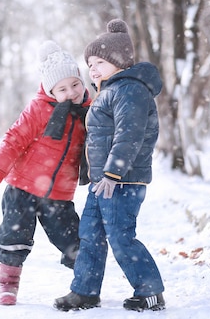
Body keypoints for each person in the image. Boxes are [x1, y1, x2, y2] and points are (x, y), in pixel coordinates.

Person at [53, 19, 166, 312]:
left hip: (123, 180)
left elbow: (130, 134)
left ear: (119, 61)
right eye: (90, 62)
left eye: (100, 61)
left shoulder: (129, 90)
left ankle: (150, 291)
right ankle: (85, 291)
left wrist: (114, 172)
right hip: (102, 181)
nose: (92, 68)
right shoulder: (109, 91)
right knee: (89, 235)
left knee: (120, 236)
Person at [0, 40, 91, 306]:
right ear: (50, 90)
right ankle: (8, 283)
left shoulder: (89, 111)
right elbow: (15, 138)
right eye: (62, 89)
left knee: (74, 240)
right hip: (22, 188)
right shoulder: (39, 108)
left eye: (75, 84)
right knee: (14, 237)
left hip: (60, 193)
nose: (71, 92)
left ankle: (86, 283)